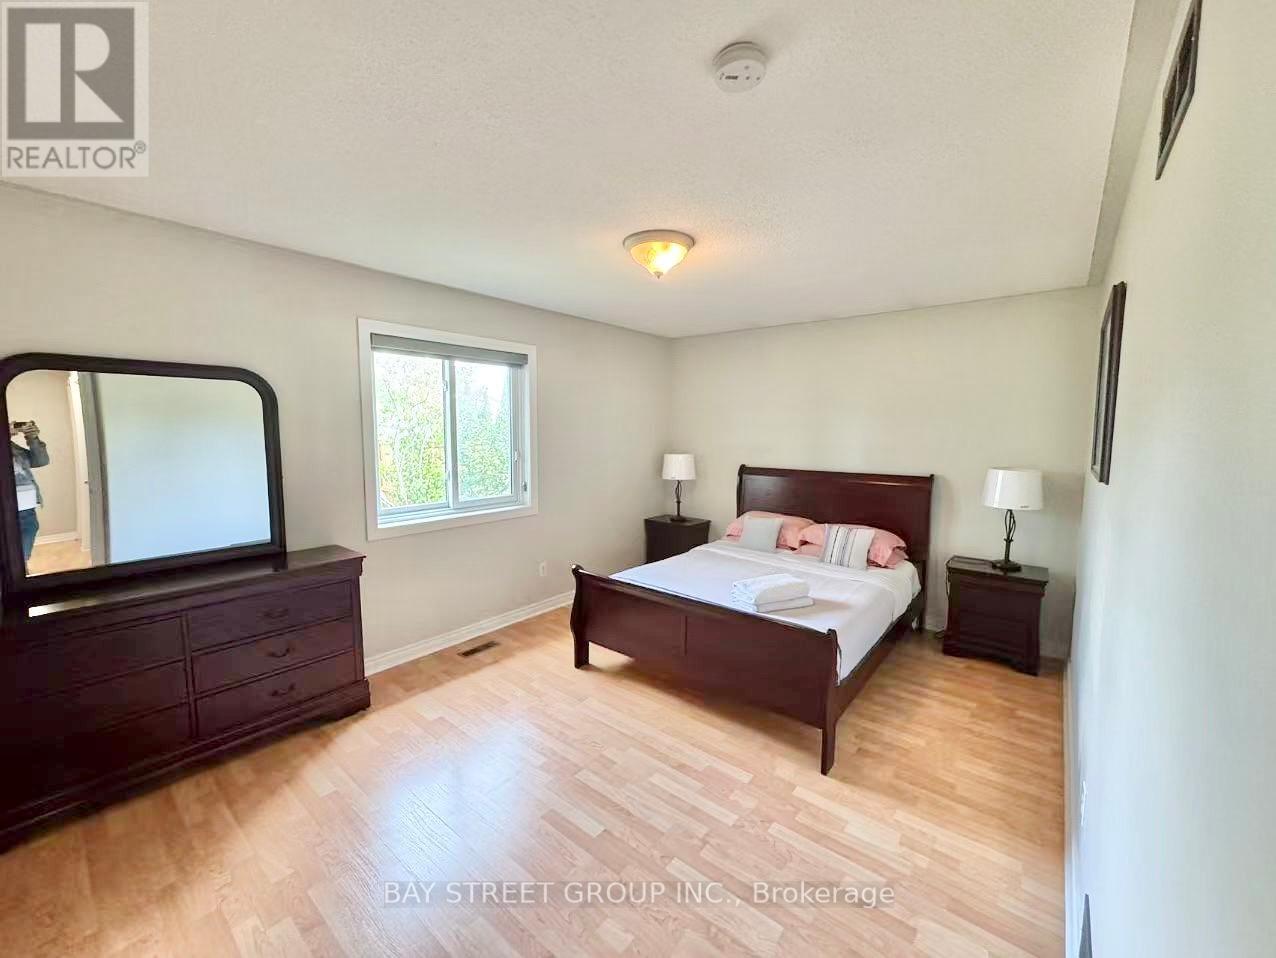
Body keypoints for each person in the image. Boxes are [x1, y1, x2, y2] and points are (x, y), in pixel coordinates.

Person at [10, 421, 48, 569]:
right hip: (6, 506)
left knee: (30, 529)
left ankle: (21, 567)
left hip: (27, 505)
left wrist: (33, 439)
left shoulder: (11, 447)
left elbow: (41, 461)